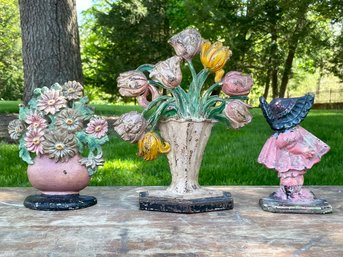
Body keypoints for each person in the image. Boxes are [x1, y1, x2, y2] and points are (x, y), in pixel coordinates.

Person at [258, 93, 330, 202]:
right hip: (288, 160)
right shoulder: (287, 133)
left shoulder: (291, 129)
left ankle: (296, 192)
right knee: (289, 177)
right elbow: (286, 146)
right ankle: (289, 195)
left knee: (297, 175)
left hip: (294, 160)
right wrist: (303, 150)